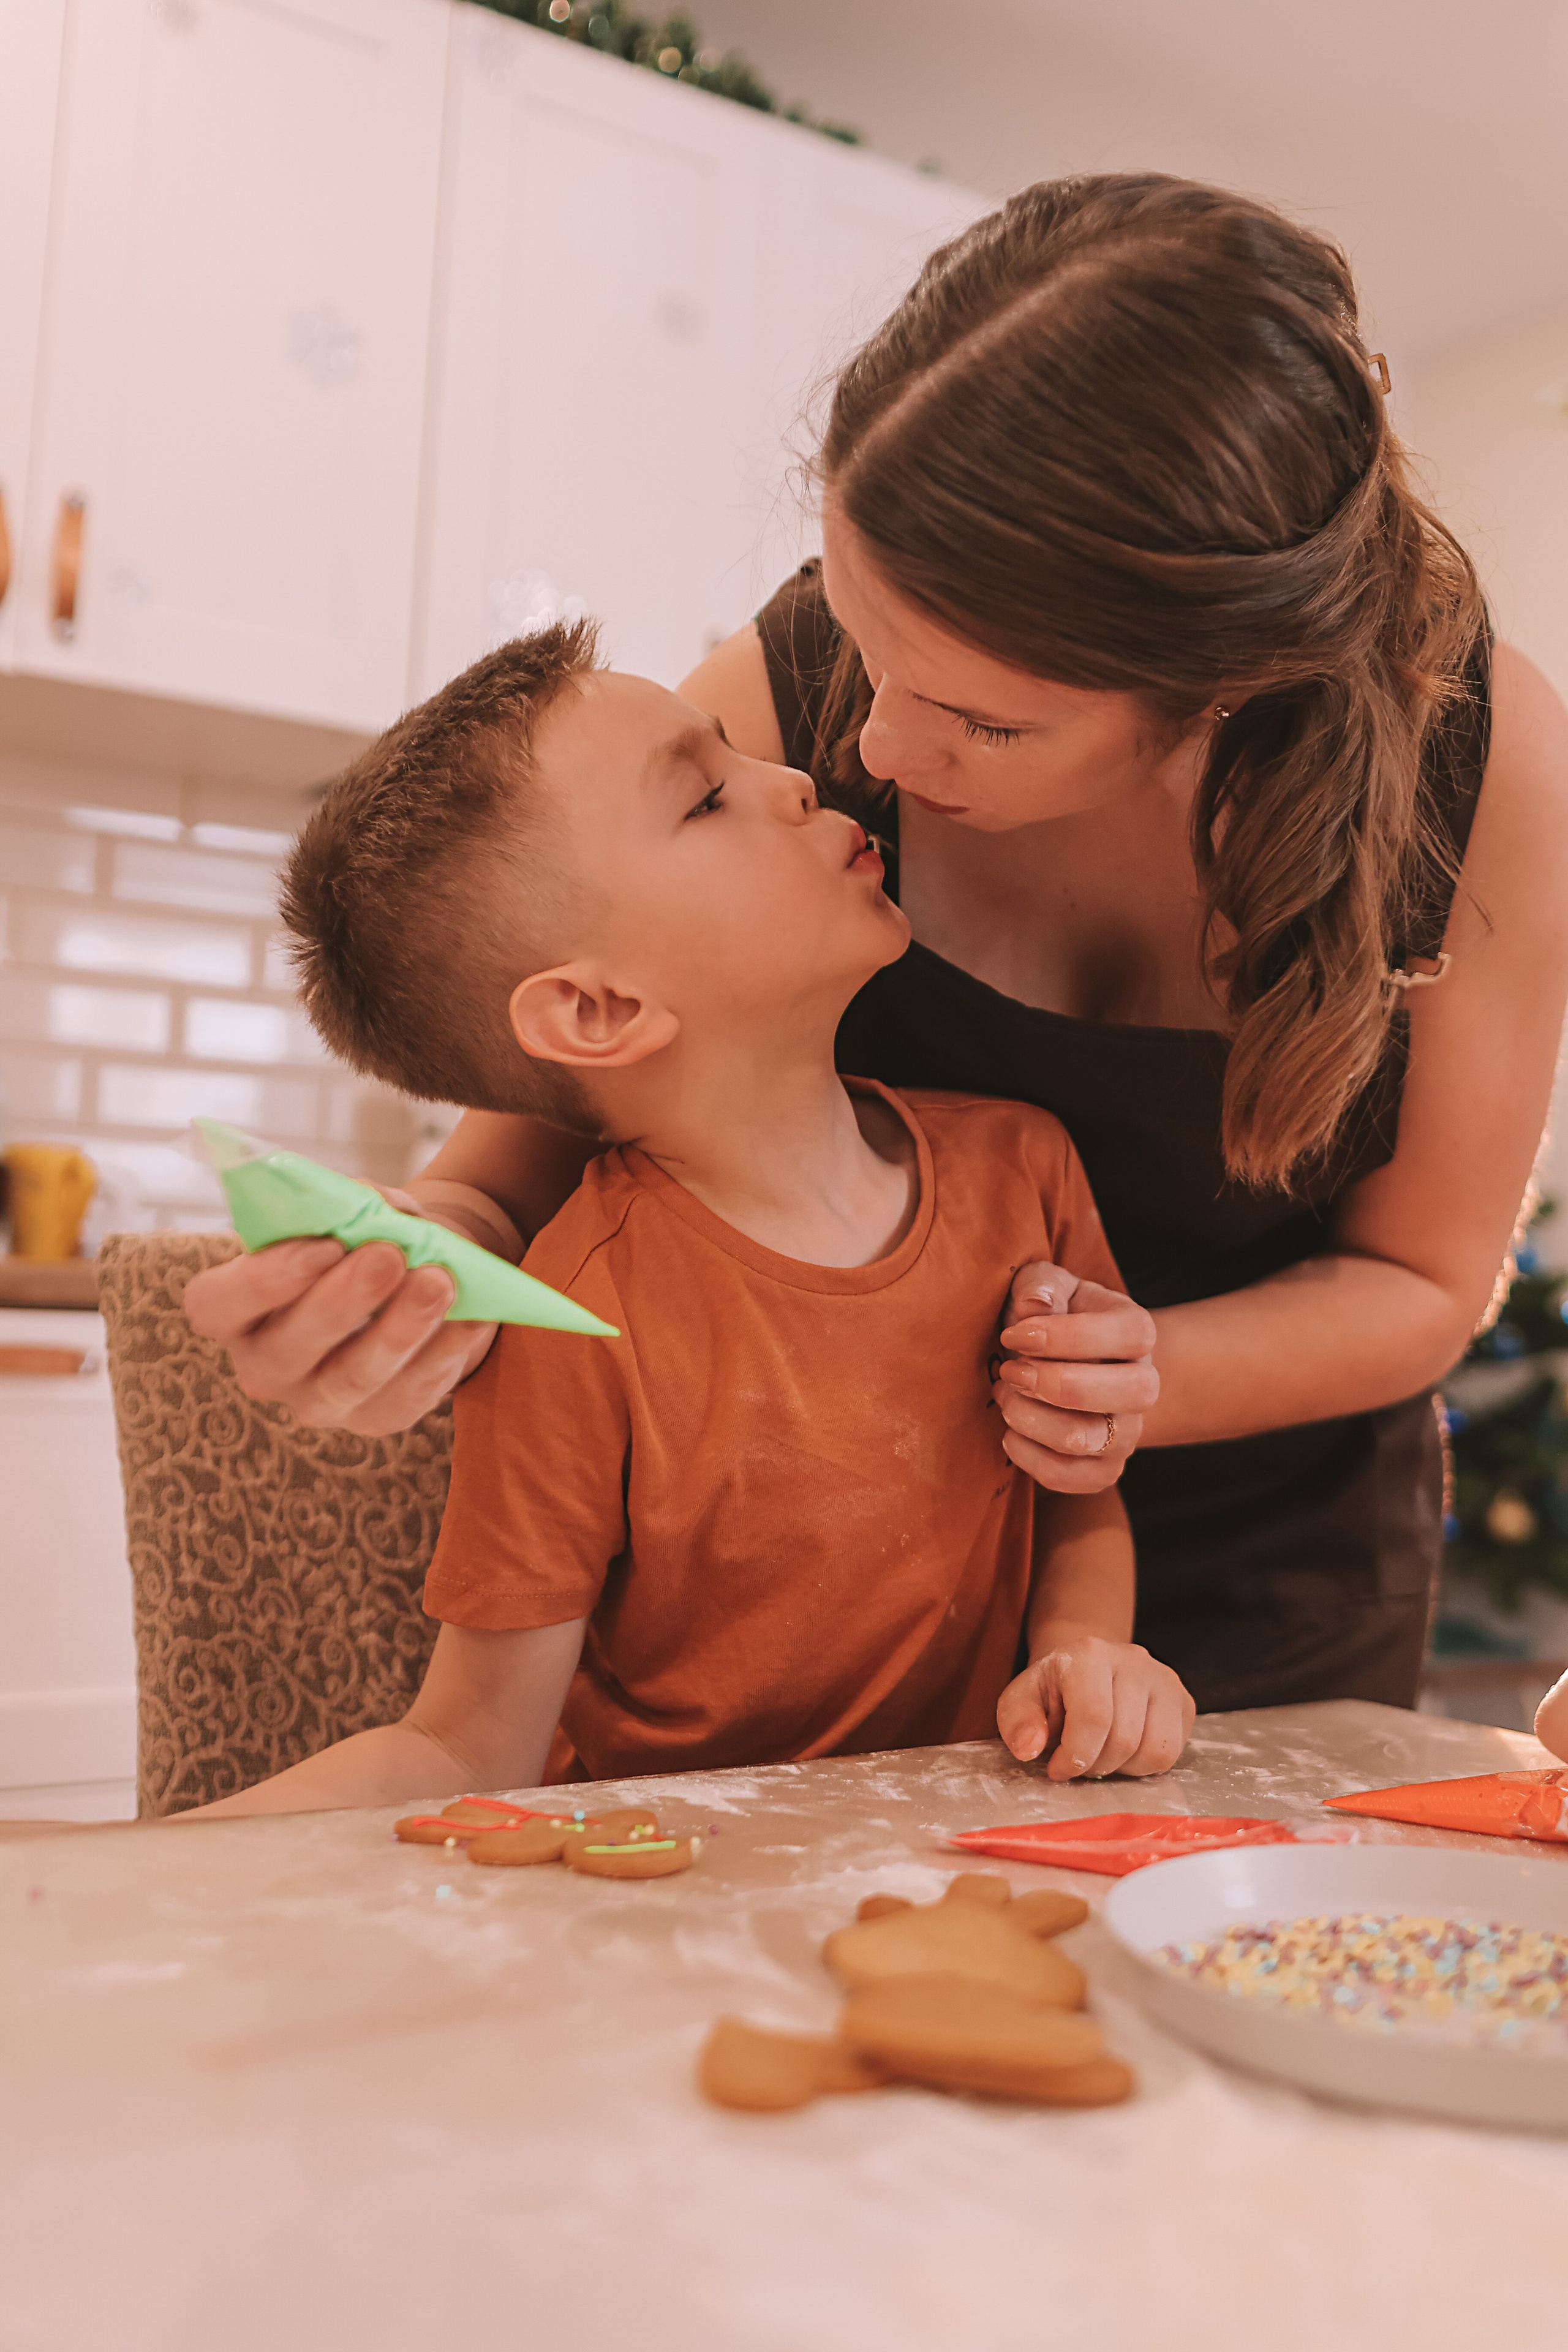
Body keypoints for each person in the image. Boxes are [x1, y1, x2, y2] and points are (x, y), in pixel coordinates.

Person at [189, 173, 1568, 1717]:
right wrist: (405, 1276)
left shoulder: (1484, 768)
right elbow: (518, 1142)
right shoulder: (793, 704)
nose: (874, 749)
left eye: (982, 719)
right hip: (849, 1605)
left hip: (1269, 1594)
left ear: (1227, 684)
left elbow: (1419, 1276)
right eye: (860, 634)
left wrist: (1123, 1387)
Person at [191, 624, 1193, 1816]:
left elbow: (1075, 1489)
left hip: (948, 1862)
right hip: (653, 1907)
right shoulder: (576, 1319)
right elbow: (467, 1754)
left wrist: (1088, 1650)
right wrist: (105, 1866)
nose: (793, 778)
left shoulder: (1025, 1166)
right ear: (600, 1009)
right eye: (707, 798)